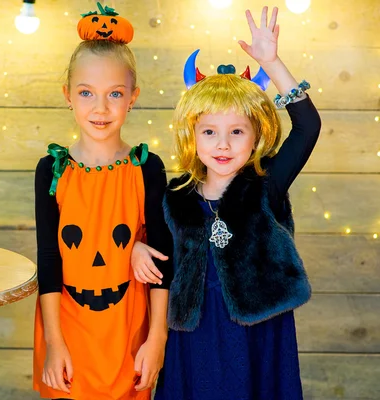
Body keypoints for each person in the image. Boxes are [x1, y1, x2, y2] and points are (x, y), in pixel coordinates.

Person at [133, 6, 322, 399]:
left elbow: (307, 127)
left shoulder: (266, 184)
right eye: (210, 131)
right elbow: (163, 263)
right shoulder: (175, 196)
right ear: (193, 135)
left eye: (237, 131)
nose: (222, 144)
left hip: (258, 328)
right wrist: (136, 246)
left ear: (256, 135)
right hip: (194, 332)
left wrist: (271, 61)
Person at [32, 3, 174, 399]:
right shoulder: (52, 170)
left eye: (114, 93)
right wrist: (54, 342)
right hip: (67, 331)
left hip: (128, 334)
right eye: (86, 93)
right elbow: (49, 258)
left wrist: (157, 337)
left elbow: (165, 256)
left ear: (133, 97)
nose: (100, 108)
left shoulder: (147, 168)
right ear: (68, 96)